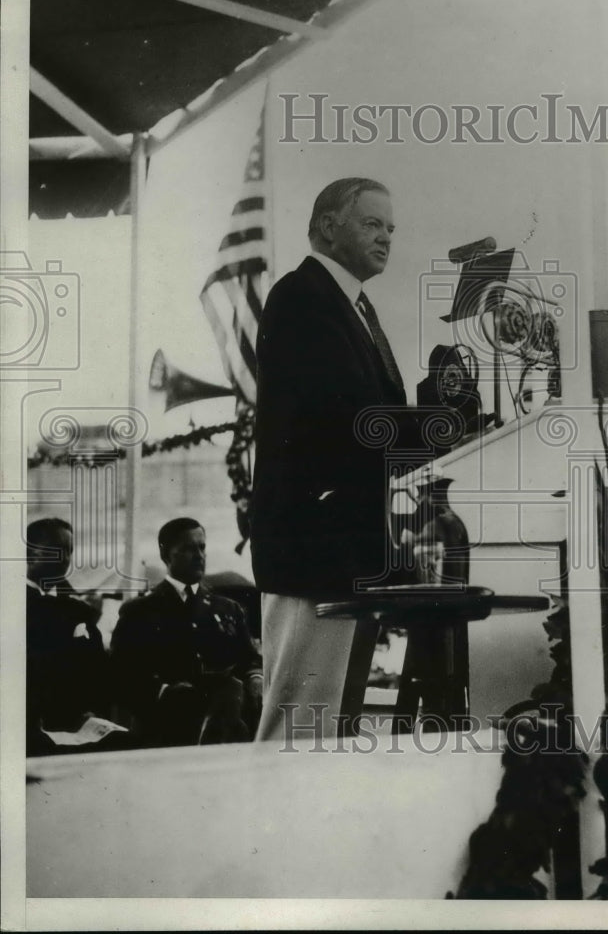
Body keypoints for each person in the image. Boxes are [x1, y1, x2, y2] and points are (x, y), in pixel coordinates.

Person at [249, 178, 409, 741]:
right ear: (327, 226)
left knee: (330, 730)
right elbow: (336, 416)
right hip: (311, 548)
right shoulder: (301, 296)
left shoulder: (353, 306)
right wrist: (427, 426)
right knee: (299, 726)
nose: (386, 237)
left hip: (347, 548)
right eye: (372, 223)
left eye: (391, 228)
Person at [110, 518, 262, 747]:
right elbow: (120, 675)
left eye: (202, 547)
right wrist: (163, 691)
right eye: (188, 549)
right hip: (165, 731)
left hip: (228, 728)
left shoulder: (228, 609)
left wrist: (256, 677)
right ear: (166, 555)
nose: (199, 555)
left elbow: (249, 660)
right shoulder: (139, 612)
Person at [26, 518, 112, 754]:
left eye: (69, 551)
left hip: (76, 719)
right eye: (57, 550)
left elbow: (96, 666)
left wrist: (92, 711)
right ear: (30, 554)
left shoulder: (75, 606)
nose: (66, 559)